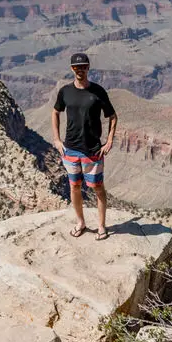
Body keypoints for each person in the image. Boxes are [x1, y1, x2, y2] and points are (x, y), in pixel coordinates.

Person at [51, 52, 118, 240]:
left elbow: (113, 117)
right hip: (70, 148)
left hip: (93, 150)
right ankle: (80, 222)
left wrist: (110, 141)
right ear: (72, 68)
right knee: (75, 186)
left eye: (83, 66)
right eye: (76, 67)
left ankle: (101, 226)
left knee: (98, 188)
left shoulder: (98, 91)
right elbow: (55, 112)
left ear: (88, 68)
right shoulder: (65, 91)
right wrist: (56, 139)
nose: (80, 70)